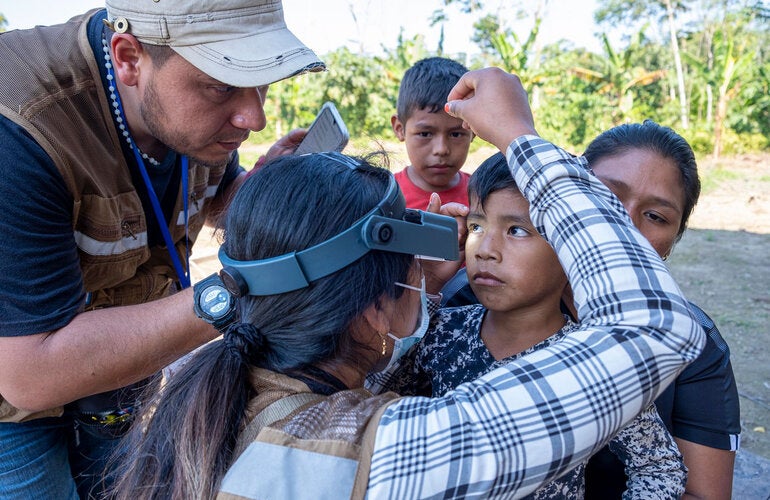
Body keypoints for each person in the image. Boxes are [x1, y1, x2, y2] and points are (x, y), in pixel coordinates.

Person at [111, 68, 705, 500]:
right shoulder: (382, 454)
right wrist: (522, 139)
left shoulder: (208, 396)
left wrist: (412, 291)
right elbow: (653, 324)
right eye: (406, 277)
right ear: (372, 312)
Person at [0, 0, 324, 498]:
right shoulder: (21, 131)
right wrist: (244, 290)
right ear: (128, 57)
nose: (253, 117)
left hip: (110, 381)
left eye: (261, 81)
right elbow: (31, 374)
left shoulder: (178, 105)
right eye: (221, 84)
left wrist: (266, 191)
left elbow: (213, 200)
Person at [376, 151, 688, 498]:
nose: (486, 250)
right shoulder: (441, 330)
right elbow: (374, 399)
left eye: (516, 230)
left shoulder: (594, 360)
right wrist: (423, 287)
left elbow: (659, 466)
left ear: (571, 249)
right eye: (478, 225)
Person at [582, 120, 741, 500]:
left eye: (656, 216)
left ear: (671, 242)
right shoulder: (473, 302)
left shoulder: (697, 344)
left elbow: (704, 494)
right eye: (606, 194)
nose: (625, 222)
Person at [391, 56, 474, 209]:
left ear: (473, 130)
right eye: (425, 134)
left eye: (455, 134)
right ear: (400, 129)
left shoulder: (481, 197)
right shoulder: (385, 198)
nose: (441, 149)